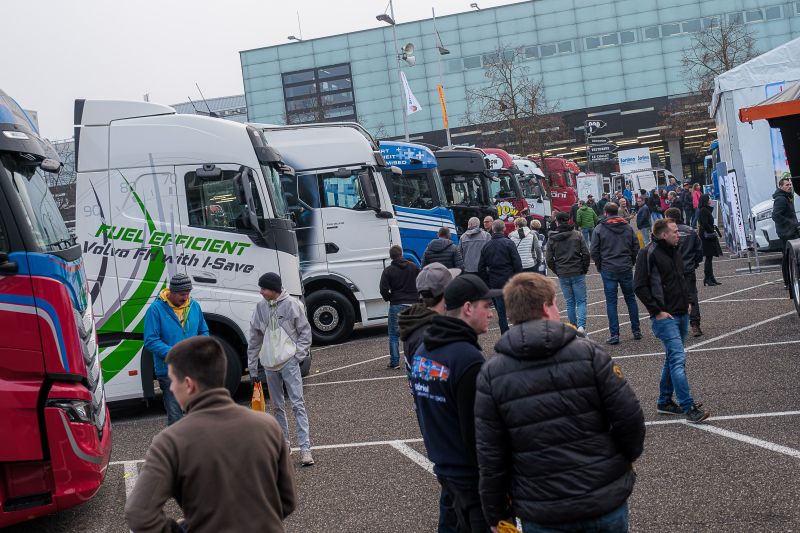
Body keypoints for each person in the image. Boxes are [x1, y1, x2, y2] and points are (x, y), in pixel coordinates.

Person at [474, 273, 645, 533]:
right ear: (545, 307)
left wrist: (497, 513)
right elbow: (629, 418)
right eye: (555, 304)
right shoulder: (589, 353)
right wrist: (623, 460)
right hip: (600, 497)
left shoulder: (491, 374)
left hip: (542, 509)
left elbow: (491, 453)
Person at [125, 336, 296, 533]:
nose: (171, 388)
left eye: (172, 380)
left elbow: (139, 514)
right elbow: (288, 500)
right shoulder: (268, 427)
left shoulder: (170, 442)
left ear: (188, 384)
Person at [409, 274, 499, 533]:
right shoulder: (468, 360)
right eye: (486, 306)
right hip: (470, 477)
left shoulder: (425, 349)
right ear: (468, 308)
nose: (491, 314)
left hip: (444, 466)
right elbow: (477, 433)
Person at [397, 262, 460, 533]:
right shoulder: (431, 333)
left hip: (427, 411)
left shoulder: (417, 324)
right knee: (453, 491)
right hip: (440, 417)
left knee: (451, 489)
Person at [634, 219, 710, 423]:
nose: (679, 234)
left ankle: (664, 401)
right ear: (663, 234)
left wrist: (689, 301)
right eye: (675, 231)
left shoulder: (674, 249)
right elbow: (639, 286)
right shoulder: (647, 252)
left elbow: (681, 277)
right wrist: (657, 311)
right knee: (678, 360)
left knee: (671, 358)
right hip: (665, 317)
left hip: (681, 312)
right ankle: (688, 406)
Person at [247, 272, 315, 466]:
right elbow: (254, 338)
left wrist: (298, 356)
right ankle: (284, 446)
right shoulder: (260, 308)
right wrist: (252, 368)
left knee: (297, 404)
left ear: (274, 289)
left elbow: (305, 332)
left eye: (264, 288)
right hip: (269, 364)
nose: (261, 292)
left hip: (288, 363)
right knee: (277, 407)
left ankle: (305, 449)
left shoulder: (293, 304)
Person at [143, 273, 209, 426]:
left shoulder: (194, 306)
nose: (186, 297)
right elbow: (150, 341)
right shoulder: (156, 309)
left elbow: (203, 331)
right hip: (169, 372)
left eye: (188, 293)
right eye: (182, 294)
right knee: (176, 418)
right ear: (171, 292)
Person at [590, 202, 642, 345]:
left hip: (609, 268)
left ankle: (615, 334)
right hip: (624, 266)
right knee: (630, 299)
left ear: (605, 213)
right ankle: (636, 330)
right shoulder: (627, 227)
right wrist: (631, 261)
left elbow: (594, 250)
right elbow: (635, 246)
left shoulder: (600, 228)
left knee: (611, 302)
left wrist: (600, 264)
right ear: (617, 212)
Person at [546, 211, 590, 333]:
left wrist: (557, 270)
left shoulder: (552, 238)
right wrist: (584, 268)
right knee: (581, 301)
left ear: (557, 221)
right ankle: (581, 327)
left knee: (570, 302)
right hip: (577, 270)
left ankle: (573, 326)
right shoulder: (577, 235)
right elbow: (586, 254)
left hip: (563, 272)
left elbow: (549, 259)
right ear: (568, 220)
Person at [477, 219, 522, 333]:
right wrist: (518, 278)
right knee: (515, 308)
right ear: (504, 229)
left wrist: (488, 281)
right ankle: (519, 333)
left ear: (493, 229)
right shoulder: (508, 243)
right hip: (510, 280)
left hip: (495, 282)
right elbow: (517, 263)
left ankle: (505, 335)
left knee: (501, 312)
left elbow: (481, 267)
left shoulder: (487, 246)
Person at [380, 245, 421, 369]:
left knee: (394, 335)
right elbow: (421, 282)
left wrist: (389, 298)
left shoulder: (388, 271)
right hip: (413, 303)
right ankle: (415, 360)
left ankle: (395, 362)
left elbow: (383, 289)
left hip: (396, 303)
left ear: (391, 257)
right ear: (402, 254)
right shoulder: (414, 267)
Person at [665, 207, 704, 337]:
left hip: (671, 271)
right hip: (687, 268)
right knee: (692, 296)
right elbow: (699, 251)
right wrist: (694, 263)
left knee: (671, 297)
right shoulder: (690, 231)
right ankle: (695, 325)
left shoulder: (665, 233)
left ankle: (675, 327)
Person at [772, 178, 800, 290]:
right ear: (781, 186)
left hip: (791, 231)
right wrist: (790, 224)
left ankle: (789, 281)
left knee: (790, 257)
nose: (789, 186)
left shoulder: (786, 197)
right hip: (786, 233)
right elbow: (776, 216)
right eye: (787, 185)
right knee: (787, 258)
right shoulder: (780, 199)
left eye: (790, 184)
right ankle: (787, 282)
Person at [697, 194, 722, 286]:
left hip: (708, 235)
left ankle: (711, 277)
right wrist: (712, 231)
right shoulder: (703, 210)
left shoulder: (705, 209)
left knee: (709, 258)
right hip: (707, 236)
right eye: (709, 198)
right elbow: (705, 223)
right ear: (706, 200)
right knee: (708, 257)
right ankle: (708, 278)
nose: (710, 199)